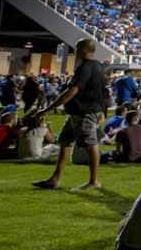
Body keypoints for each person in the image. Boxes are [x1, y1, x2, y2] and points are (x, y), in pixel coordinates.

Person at [31, 38, 107, 190]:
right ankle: (55, 179)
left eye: (77, 48)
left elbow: (71, 91)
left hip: (84, 112)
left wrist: (46, 110)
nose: (75, 51)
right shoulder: (98, 66)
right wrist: (103, 111)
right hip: (79, 112)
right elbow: (103, 91)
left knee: (90, 144)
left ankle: (94, 181)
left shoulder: (85, 67)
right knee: (65, 142)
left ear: (84, 50)